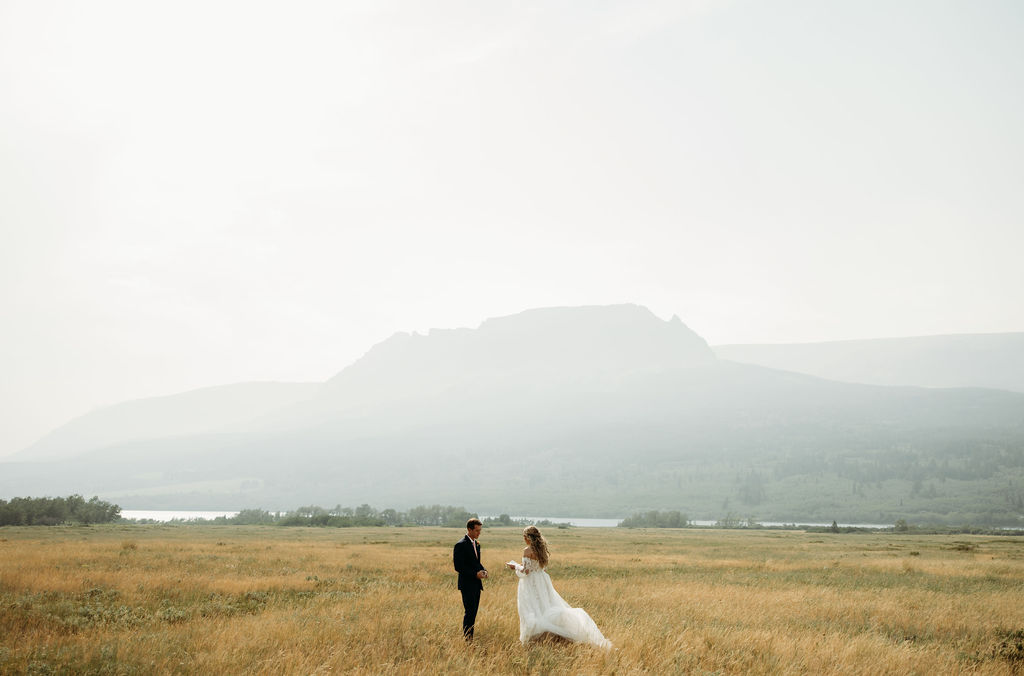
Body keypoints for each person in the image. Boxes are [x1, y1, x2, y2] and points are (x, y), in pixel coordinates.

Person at [505, 525, 611, 649]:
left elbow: (526, 571)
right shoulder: (541, 550)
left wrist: (515, 566)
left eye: (524, 537)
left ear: (527, 538)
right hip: (542, 581)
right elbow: (539, 567)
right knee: (545, 606)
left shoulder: (527, 550)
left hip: (531, 583)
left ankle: (534, 640)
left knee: (531, 609)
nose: (524, 539)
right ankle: (548, 638)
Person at [453, 517, 488, 640]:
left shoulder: (476, 544)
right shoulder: (460, 545)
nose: (479, 533)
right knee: (469, 613)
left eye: (480, 530)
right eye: (477, 530)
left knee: (474, 613)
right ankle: (468, 640)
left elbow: (476, 563)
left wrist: (484, 570)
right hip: (467, 584)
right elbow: (458, 567)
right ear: (469, 529)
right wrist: (475, 574)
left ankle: (470, 637)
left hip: (476, 584)